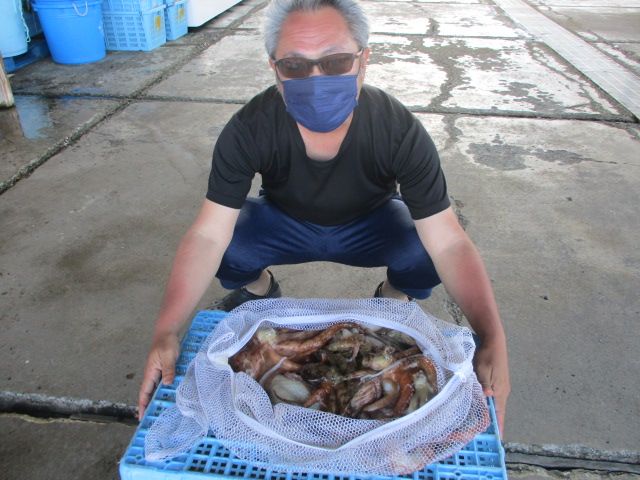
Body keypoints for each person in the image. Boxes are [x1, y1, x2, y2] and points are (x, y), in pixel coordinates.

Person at [138, 0, 510, 435]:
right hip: (284, 221)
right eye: (295, 66)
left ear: (363, 60)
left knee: (424, 245)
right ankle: (260, 292)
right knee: (229, 241)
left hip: (372, 222)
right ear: (274, 69)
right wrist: (166, 330)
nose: (316, 79)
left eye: (335, 62)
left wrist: (493, 338)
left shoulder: (398, 128)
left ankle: (392, 302)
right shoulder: (249, 127)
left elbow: (448, 241)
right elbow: (207, 235)